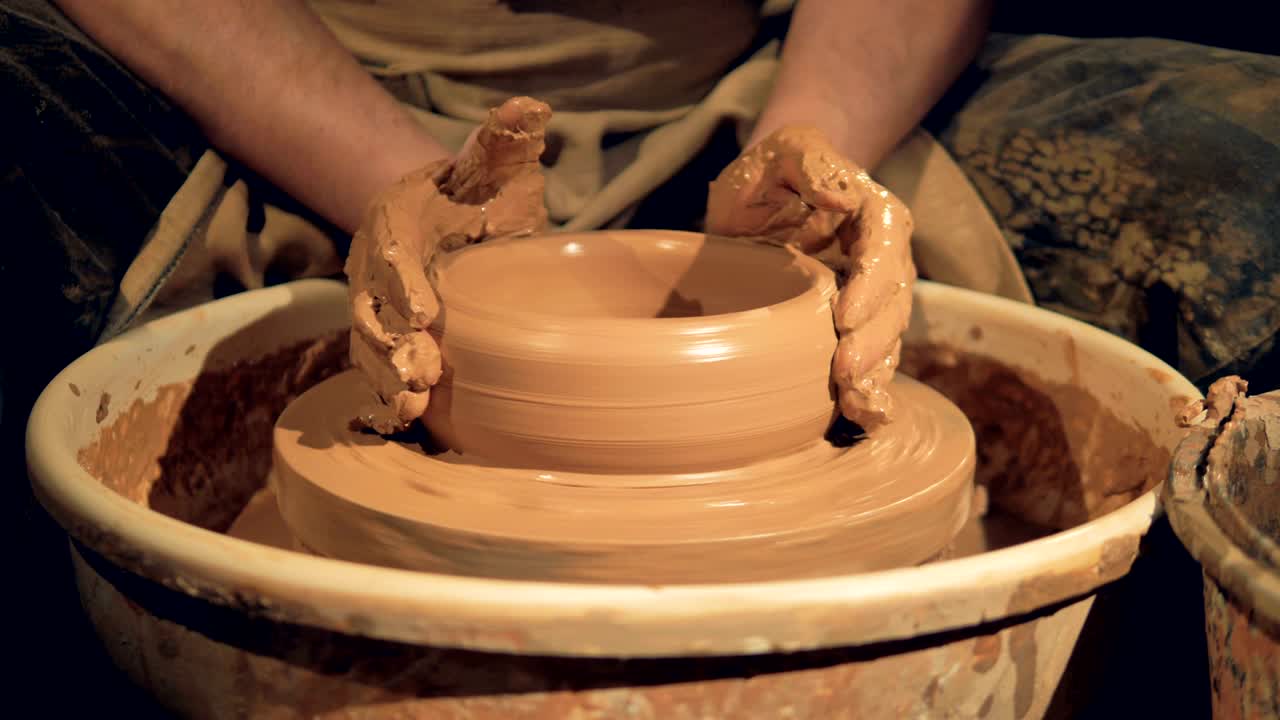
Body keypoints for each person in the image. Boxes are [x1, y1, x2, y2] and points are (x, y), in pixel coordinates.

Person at [3, 0, 1277, 714]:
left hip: (775, 92)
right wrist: (410, 180)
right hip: (282, 91)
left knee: (1247, 176)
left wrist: (807, 149)